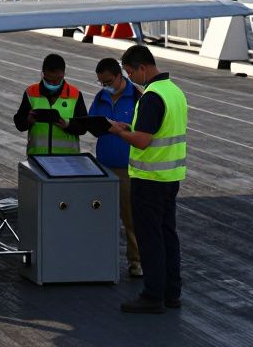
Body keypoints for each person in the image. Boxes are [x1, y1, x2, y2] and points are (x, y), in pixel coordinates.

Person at [108, 45, 188, 314]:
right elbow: (159, 131)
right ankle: (172, 293)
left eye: (130, 73)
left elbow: (143, 140)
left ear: (142, 68)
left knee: (150, 238)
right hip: (170, 176)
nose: (130, 79)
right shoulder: (175, 92)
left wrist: (118, 131)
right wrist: (132, 129)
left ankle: (153, 295)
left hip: (149, 178)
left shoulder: (152, 96)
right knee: (168, 236)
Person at [91, 57, 142, 278]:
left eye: (109, 81)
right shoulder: (101, 97)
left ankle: (136, 262)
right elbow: (92, 123)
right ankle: (102, 261)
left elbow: (145, 131)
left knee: (130, 218)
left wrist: (123, 129)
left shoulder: (139, 97)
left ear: (120, 76)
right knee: (101, 217)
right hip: (103, 166)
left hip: (127, 168)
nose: (106, 86)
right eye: (102, 82)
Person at [13, 53, 89, 155]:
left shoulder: (75, 94)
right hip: (37, 157)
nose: (52, 84)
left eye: (56, 80)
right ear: (43, 73)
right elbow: (19, 123)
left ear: (63, 74)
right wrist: (28, 120)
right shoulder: (31, 92)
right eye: (49, 80)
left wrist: (67, 125)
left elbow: (83, 127)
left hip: (68, 160)